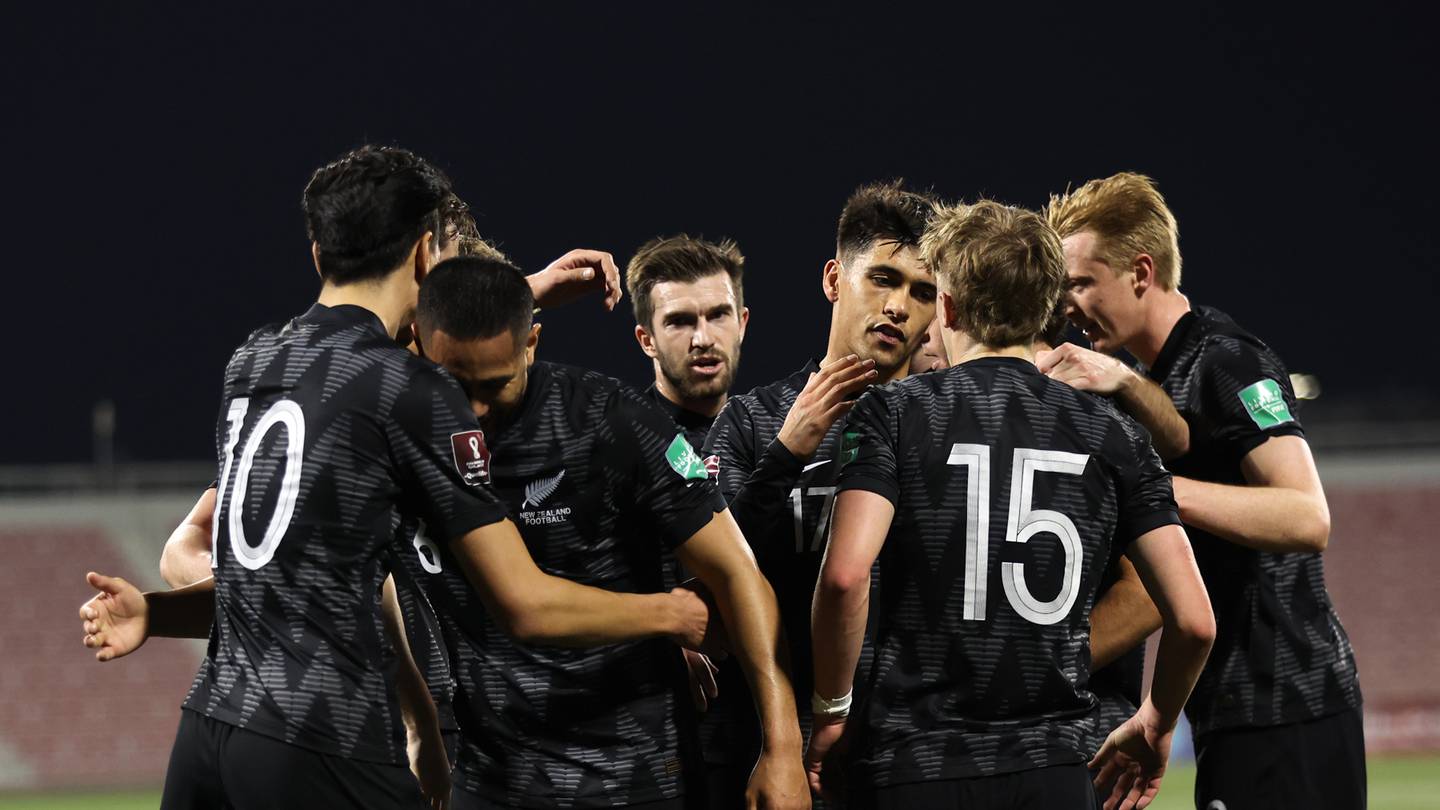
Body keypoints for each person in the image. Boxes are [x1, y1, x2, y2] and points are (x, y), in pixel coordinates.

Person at [78, 145, 713, 810]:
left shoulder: (254, 362)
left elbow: (271, 583)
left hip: (210, 731)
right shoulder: (414, 393)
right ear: (424, 254)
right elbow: (524, 604)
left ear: (319, 256)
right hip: (322, 738)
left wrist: (156, 612)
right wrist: (672, 612)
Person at [806, 200, 1216, 810]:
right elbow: (1194, 621)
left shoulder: (895, 411)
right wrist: (1157, 722)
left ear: (946, 307)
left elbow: (843, 577)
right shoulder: (1115, 434)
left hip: (918, 763)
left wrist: (833, 713)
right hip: (1054, 767)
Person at [410, 256, 807, 810]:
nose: (474, 412)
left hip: (633, 772)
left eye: (495, 386)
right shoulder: (402, 427)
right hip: (491, 776)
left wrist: (782, 748)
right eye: (455, 385)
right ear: (418, 348)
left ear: (531, 344)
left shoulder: (611, 418)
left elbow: (738, 572)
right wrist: (419, 729)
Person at [1042, 172, 1364, 809]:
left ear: (1140, 271)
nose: (1067, 304)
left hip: (1289, 708)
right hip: (1235, 711)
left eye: (1081, 282)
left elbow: (1306, 515)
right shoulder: (1150, 378)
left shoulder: (1227, 360)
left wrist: (1155, 492)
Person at [701, 181, 935, 805]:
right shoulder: (754, 421)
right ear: (835, 279)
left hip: (909, 753)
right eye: (882, 279)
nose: (899, 307)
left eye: (923, 292)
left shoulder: (941, 430)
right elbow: (706, 574)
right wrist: (785, 456)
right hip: (773, 744)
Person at [627, 234, 749, 450]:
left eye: (718, 315)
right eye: (680, 321)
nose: (704, 339)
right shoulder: (618, 446)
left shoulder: (769, 434)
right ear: (647, 341)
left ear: (741, 324)